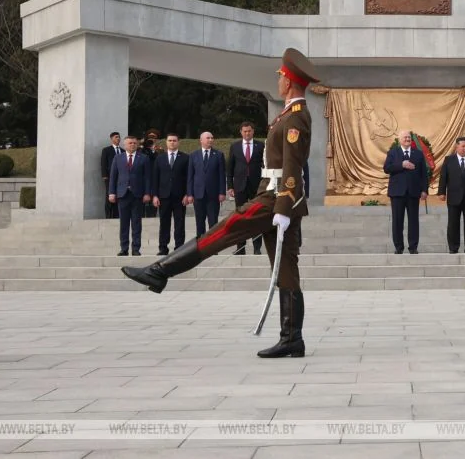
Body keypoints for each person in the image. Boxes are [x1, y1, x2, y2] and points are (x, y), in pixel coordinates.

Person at [121, 48, 319, 360]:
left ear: (291, 82)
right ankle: (292, 337)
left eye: (281, 76)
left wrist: (283, 208)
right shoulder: (289, 114)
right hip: (277, 196)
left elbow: (293, 166)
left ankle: (160, 271)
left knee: (225, 229)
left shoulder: (296, 118)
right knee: (285, 268)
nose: (278, 79)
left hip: (277, 198)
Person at [384, 130, 428, 254]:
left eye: (409, 137)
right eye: (405, 137)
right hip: (397, 193)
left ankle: (413, 247)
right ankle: (399, 247)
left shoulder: (418, 154)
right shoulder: (393, 153)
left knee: (414, 221)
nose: (408, 139)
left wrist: (424, 190)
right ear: (399, 140)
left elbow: (423, 174)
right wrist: (401, 164)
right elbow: (386, 168)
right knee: (397, 221)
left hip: (413, 193)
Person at [108, 136, 151, 256]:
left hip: (137, 195)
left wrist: (147, 193)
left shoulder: (143, 158)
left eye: (134, 143)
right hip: (122, 194)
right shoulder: (118, 158)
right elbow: (113, 177)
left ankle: (136, 248)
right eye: (130, 143)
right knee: (124, 223)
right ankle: (124, 248)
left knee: (137, 223)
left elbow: (147, 177)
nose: (132, 145)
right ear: (125, 145)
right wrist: (112, 192)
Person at [227, 122, 265, 255]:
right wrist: (230, 186)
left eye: (249, 131)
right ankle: (240, 247)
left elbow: (265, 165)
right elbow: (230, 168)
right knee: (240, 217)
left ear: (253, 131)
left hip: (257, 187)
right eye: (244, 131)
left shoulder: (260, 145)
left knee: (256, 216)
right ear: (241, 132)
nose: (247, 133)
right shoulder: (235, 146)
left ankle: (257, 247)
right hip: (240, 186)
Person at [152, 134, 189, 256]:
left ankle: (179, 247)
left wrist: (187, 194)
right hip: (163, 196)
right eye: (170, 140)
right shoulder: (160, 158)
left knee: (179, 222)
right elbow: (155, 177)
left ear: (178, 142)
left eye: (174, 140)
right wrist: (155, 195)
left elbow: (189, 178)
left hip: (180, 196)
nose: (172, 142)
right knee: (164, 223)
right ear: (166, 142)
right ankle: (163, 248)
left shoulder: (185, 158)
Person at [186, 132, 226, 237]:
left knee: (213, 222)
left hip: (213, 195)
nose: (210, 140)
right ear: (201, 140)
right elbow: (190, 176)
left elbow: (222, 175)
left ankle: (213, 246)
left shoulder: (218, 155)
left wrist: (222, 192)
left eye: (212, 138)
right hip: (198, 194)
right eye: (208, 138)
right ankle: (201, 246)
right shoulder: (193, 155)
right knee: (199, 222)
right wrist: (190, 194)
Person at [100, 132, 122, 219]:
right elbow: (103, 163)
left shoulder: (123, 151)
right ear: (111, 139)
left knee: (119, 196)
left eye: (119, 137)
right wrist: (104, 176)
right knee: (109, 196)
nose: (118, 139)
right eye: (116, 137)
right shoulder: (106, 150)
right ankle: (108, 216)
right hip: (110, 177)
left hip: (121, 178)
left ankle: (117, 215)